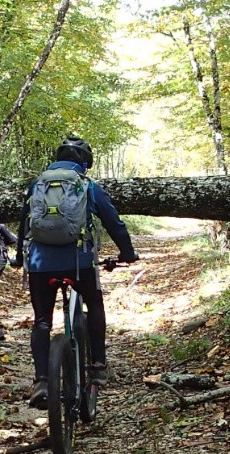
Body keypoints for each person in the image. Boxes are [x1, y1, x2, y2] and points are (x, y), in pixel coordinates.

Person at [12, 136, 138, 408]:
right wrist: (127, 253)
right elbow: (114, 223)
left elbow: (25, 223)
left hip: (39, 264)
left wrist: (18, 257)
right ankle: (98, 364)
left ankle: (42, 381)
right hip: (78, 263)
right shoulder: (88, 186)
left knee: (41, 321)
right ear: (85, 162)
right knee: (94, 303)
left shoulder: (37, 185)